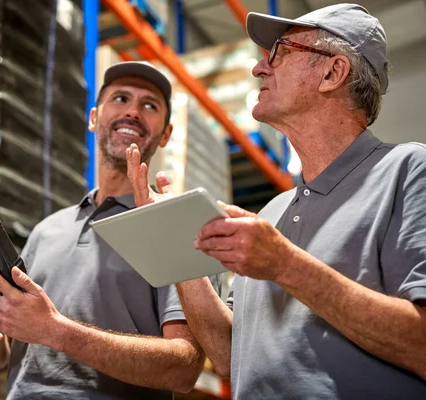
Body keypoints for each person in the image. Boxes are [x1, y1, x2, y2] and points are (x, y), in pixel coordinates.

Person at [126, 3, 426, 399]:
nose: (258, 68)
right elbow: (232, 356)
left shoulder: (408, 172)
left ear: (333, 72)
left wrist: (285, 264)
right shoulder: (272, 213)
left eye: (281, 52)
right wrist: (176, 247)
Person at [0, 61, 208, 399]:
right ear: (94, 118)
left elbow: (184, 369)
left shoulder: (178, 228)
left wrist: (55, 330)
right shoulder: (46, 231)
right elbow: (0, 358)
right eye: (121, 98)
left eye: (150, 105)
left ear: (166, 134)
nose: (133, 112)